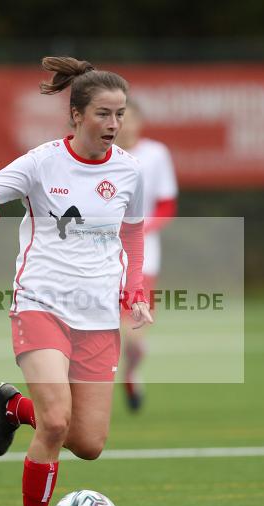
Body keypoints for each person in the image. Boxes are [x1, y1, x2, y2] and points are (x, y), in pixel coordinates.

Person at [0, 57, 153, 506]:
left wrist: (135, 291)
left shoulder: (130, 171)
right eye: (103, 114)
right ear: (76, 115)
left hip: (97, 318)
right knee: (56, 423)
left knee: (87, 443)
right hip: (40, 305)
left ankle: (12, 406)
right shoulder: (42, 162)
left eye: (120, 114)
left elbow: (131, 232)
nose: (113, 125)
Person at [116, 100, 178, 411]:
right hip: (101, 254)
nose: (124, 125)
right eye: (117, 118)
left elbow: (166, 203)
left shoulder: (156, 154)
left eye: (129, 118)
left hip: (144, 254)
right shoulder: (100, 154)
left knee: (135, 333)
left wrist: (142, 228)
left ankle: (131, 371)